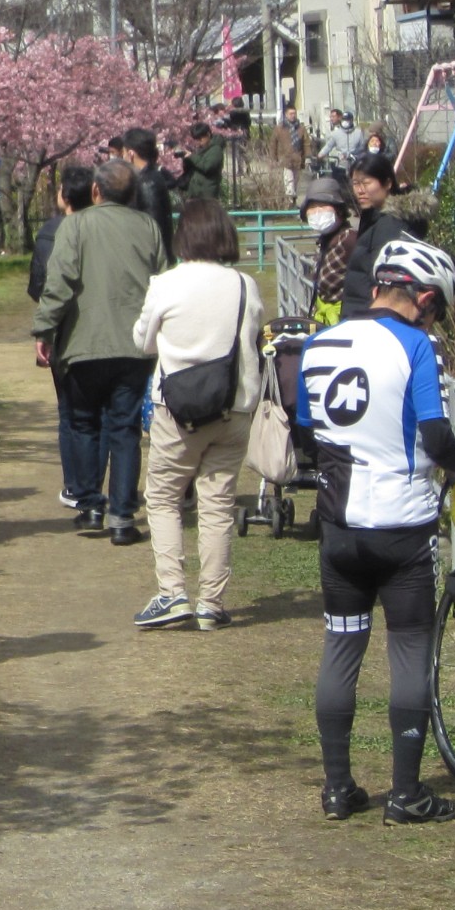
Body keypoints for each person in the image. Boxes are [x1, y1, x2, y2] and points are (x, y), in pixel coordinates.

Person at [294, 237, 455, 824]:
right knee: (410, 648)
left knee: (342, 645)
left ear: (376, 289)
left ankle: (338, 789)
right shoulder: (417, 347)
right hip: (403, 530)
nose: (434, 318)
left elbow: (305, 433)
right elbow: (438, 437)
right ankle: (406, 793)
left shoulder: (318, 345)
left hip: (339, 528)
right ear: (421, 297)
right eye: (436, 307)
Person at [130, 199, 264, 630]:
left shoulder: (166, 284)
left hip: (178, 409)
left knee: (165, 496)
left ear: (183, 237)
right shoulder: (245, 284)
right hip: (235, 406)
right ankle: (211, 602)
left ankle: (172, 593)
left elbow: (142, 342)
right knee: (218, 503)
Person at [32, 158, 167, 543]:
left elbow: (59, 282)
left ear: (96, 191)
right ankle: (123, 516)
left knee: (83, 422)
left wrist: (44, 329)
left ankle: (91, 505)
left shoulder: (75, 225)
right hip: (135, 345)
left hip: (83, 343)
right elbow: (163, 282)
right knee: (125, 429)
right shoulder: (148, 227)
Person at [30, 162, 95, 509]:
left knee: (70, 413)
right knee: (103, 415)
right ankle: (99, 483)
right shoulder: (105, 229)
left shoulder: (48, 234)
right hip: (99, 330)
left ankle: (75, 484)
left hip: (61, 333)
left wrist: (45, 325)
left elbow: (38, 287)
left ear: (63, 196)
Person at [338, 151, 407, 319]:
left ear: (388, 183)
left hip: (371, 320)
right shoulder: (372, 217)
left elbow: (385, 283)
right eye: (355, 184)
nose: (360, 191)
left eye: (366, 183)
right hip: (358, 316)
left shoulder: (391, 223)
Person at [301, 172, 355, 325]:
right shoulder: (326, 240)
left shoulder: (349, 239)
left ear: (338, 210)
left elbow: (330, 283)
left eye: (324, 206)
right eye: (312, 207)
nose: (317, 212)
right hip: (324, 320)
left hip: (345, 319)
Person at [123, 127, 177, 251]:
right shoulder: (148, 176)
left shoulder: (147, 182)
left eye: (124, 152)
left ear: (131, 154)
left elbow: (154, 225)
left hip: (152, 257)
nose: (123, 157)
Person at [177, 118, 227, 203]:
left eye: (200, 139)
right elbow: (196, 165)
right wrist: (187, 159)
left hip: (206, 194)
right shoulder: (201, 149)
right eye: (196, 140)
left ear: (208, 134)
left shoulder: (216, 149)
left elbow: (207, 166)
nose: (199, 142)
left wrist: (192, 157)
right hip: (195, 192)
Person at [268, 108, 311, 202]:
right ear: (286, 115)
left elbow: (306, 143)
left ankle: (293, 199)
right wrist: (273, 158)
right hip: (285, 159)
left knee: (296, 182)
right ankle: (290, 201)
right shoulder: (280, 128)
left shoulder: (301, 128)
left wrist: (308, 157)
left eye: (294, 113)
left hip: (298, 159)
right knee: (289, 181)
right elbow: (273, 144)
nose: (293, 115)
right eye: (291, 113)